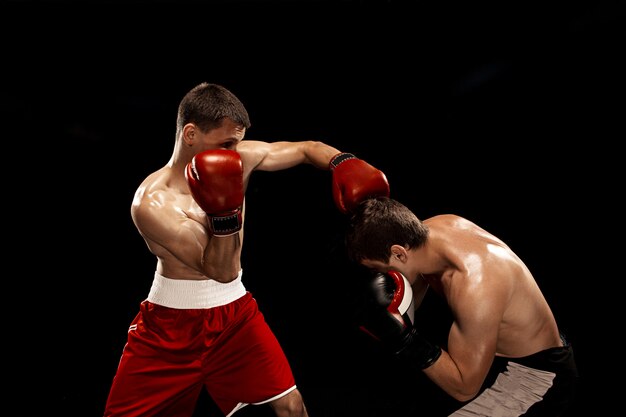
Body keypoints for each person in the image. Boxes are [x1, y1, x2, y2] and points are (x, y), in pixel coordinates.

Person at [103, 82, 390, 417]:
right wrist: (224, 214)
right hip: (169, 329)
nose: (233, 154)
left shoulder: (239, 156)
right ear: (191, 134)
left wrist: (342, 161)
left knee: (291, 407)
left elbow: (305, 148)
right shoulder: (152, 202)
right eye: (225, 144)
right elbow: (220, 268)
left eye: (236, 143)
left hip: (233, 314)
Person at [344, 197, 579, 417]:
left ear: (398, 252)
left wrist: (404, 338)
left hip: (535, 375)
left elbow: (464, 387)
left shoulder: (477, 286)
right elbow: (417, 281)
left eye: (381, 270)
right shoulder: (435, 228)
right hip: (491, 353)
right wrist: (393, 314)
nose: (383, 277)